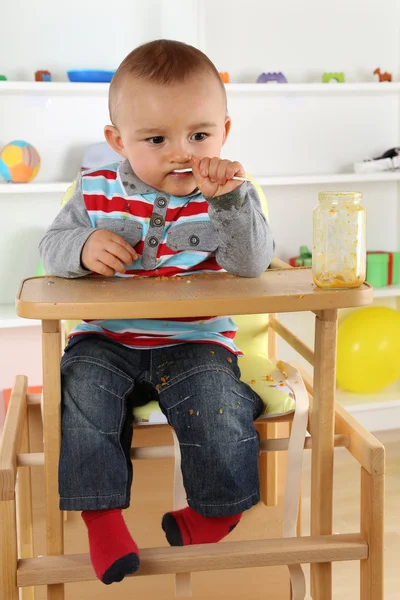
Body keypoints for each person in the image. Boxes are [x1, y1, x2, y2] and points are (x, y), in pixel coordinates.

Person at [39, 39, 274, 585]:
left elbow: (251, 265)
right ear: (118, 141)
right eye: (156, 139)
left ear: (225, 132)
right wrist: (81, 247)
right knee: (81, 390)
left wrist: (228, 204)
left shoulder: (231, 193)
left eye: (198, 135)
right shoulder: (93, 191)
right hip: (107, 338)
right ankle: (101, 518)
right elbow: (51, 249)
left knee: (217, 402)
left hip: (196, 339)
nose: (180, 153)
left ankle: (221, 510)